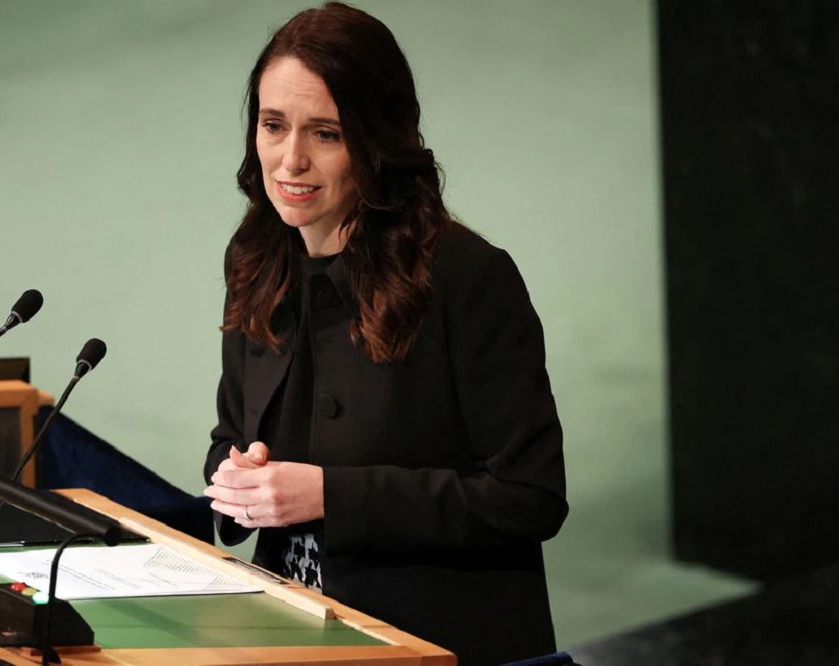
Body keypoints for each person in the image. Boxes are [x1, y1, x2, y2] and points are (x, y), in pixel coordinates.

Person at [202, 3, 567, 664]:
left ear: (378, 141)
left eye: (326, 134)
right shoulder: (255, 259)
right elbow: (231, 435)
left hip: (430, 644)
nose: (291, 160)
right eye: (273, 125)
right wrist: (237, 483)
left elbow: (529, 498)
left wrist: (329, 497)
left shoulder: (468, 278)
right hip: (283, 635)